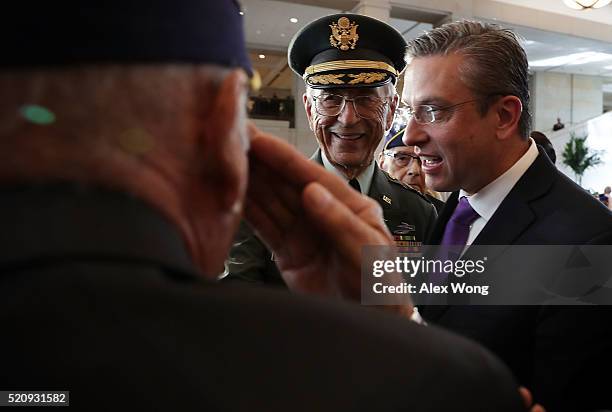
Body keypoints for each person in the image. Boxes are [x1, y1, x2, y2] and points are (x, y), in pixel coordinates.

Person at [0, 3, 528, 411]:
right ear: (224, 128)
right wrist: (404, 338)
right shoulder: (447, 381)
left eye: (430, 110)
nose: (409, 134)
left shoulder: (431, 209)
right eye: (330, 99)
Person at [402, 20, 612, 411]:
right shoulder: (454, 204)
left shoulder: (589, 241)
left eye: (432, 111)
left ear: (503, 115)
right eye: (409, 112)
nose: (410, 136)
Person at [226, 13, 437, 285]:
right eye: (330, 99)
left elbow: (429, 307)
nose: (348, 118)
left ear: (391, 109)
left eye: (365, 99)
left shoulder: (418, 212)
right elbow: (238, 305)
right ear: (309, 108)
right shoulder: (264, 202)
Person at [378, 127, 445, 211]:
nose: (414, 170)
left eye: (423, 160)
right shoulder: (364, 204)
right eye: (402, 158)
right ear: (382, 162)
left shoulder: (445, 216)